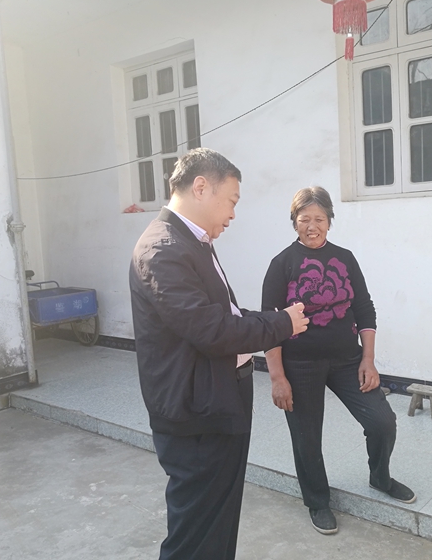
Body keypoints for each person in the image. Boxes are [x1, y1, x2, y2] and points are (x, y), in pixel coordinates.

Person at [129, 148, 309, 560]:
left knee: (218, 522)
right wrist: (281, 324)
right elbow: (211, 330)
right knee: (195, 533)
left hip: (218, 400)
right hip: (196, 415)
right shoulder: (163, 249)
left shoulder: (194, 243)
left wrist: (275, 318)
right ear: (200, 187)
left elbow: (226, 315)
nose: (232, 214)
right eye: (231, 200)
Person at [261, 186, 415, 535]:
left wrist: (368, 359)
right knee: (306, 437)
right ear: (294, 223)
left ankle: (380, 477)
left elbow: (364, 309)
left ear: (329, 221)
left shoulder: (345, 258)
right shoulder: (282, 264)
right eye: (304, 220)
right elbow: (270, 325)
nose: (312, 226)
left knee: (382, 422)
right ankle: (317, 501)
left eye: (319, 219)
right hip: (300, 365)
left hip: (348, 360)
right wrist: (277, 377)